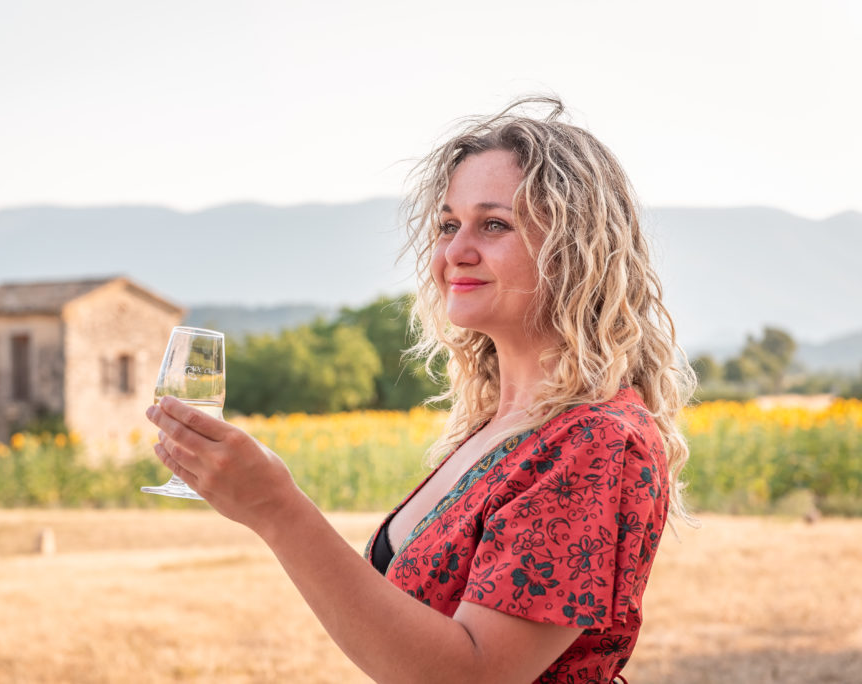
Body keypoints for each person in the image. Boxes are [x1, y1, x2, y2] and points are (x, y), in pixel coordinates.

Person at [146, 96, 695, 683]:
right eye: (448, 225)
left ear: (575, 250)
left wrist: (278, 509)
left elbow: (474, 675)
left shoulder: (594, 441)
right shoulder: (503, 427)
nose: (454, 253)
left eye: (494, 224)